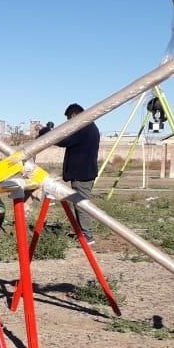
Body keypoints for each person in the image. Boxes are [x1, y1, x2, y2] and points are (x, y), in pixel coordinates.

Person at [54, 103, 100, 245]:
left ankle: (87, 237)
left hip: (82, 174)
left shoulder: (83, 127)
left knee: (82, 205)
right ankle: (83, 234)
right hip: (84, 173)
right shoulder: (90, 127)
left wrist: (46, 132)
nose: (69, 122)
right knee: (80, 204)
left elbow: (63, 141)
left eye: (69, 118)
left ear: (74, 115)